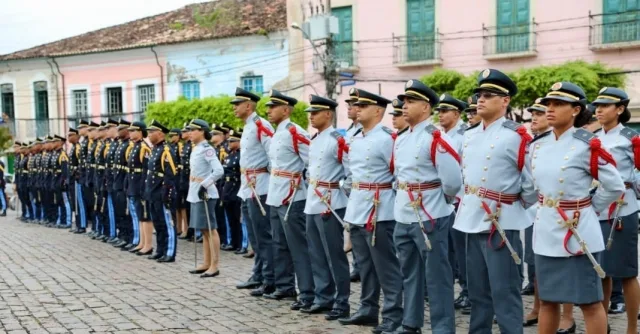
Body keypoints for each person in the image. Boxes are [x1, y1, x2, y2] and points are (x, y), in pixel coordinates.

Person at [453, 69, 536, 334]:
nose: (481, 100)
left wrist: (510, 202)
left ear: (505, 100)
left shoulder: (517, 135)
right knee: (477, 292)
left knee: (505, 291)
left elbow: (532, 182)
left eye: (489, 95)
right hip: (470, 217)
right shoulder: (469, 134)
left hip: (500, 220)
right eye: (478, 95)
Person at [395, 80, 462, 333]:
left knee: (437, 276)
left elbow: (453, 182)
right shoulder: (402, 138)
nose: (404, 106)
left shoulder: (436, 137)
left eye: (411, 101)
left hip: (430, 214)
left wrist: (439, 202)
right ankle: (410, 322)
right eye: (404, 101)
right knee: (410, 273)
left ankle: (443, 327)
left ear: (426, 107)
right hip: (403, 213)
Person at [338, 88, 403, 334]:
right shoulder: (358, 138)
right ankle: (368, 309)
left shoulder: (387, 139)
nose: (357, 109)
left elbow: (399, 174)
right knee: (364, 265)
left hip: (379, 209)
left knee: (386, 266)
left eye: (363, 106)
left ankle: (393, 315)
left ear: (377, 110)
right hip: (357, 206)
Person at [593, 87, 640, 334]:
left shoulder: (630, 138)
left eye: (605, 105)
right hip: (596, 209)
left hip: (623, 209)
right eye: (597, 105)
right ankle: (603, 326)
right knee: (602, 272)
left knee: (627, 273)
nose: (598, 109)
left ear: (620, 109)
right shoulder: (590, 137)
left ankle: (632, 327)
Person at [263, 89, 314, 308]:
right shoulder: (277, 134)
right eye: (268, 107)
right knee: (279, 244)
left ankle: (307, 293)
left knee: (298, 246)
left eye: (272, 107)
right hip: (276, 194)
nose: (268, 111)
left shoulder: (295, 131)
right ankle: (284, 287)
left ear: (285, 109)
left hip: (293, 197)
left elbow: (313, 160)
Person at [303, 95, 351, 320]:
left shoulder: (336, 140)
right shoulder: (314, 139)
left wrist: (344, 190)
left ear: (328, 114)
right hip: (312, 201)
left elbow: (350, 171)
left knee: (334, 255)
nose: (311, 116)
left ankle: (342, 302)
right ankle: (323, 297)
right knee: (317, 254)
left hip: (330, 203)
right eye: (310, 112)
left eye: (316, 112)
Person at [231, 87, 275, 296]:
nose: (234, 108)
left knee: (263, 235)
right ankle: (258, 274)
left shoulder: (261, 125)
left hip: (260, 186)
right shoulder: (249, 127)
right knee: (254, 237)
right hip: (247, 186)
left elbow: (273, 155)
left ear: (248, 106)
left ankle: (269, 279)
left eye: (237, 105)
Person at [436, 93, 471, 314]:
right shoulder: (438, 135)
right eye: (439, 111)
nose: (440, 115)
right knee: (450, 250)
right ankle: (456, 290)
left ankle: (468, 291)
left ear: (457, 114)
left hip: (460, 200)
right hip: (441, 201)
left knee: (464, 250)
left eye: (445, 111)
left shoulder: (465, 135)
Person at [522, 98, 550, 328]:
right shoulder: (529, 143)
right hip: (533, 210)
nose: (535, 116)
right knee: (534, 263)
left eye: (539, 113)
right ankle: (538, 307)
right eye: (533, 113)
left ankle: (566, 314)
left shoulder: (555, 142)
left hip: (557, 210)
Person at [186, 119, 224, 278]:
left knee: (210, 228)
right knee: (203, 228)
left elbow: (219, 171)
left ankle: (214, 265)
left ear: (202, 131)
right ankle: (206, 262)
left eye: (193, 130)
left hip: (205, 192)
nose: (190, 133)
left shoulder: (207, 149)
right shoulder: (196, 149)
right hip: (195, 191)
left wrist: (205, 184)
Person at [145, 120, 178, 263]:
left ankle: (170, 252)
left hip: (162, 191)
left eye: (152, 132)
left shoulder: (166, 150)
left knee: (167, 223)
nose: (149, 134)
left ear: (160, 133)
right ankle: (160, 250)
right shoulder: (155, 149)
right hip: (153, 191)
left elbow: (172, 173)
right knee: (158, 223)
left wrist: (168, 192)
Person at [126, 121, 153, 256]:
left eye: (133, 131)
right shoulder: (134, 147)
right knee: (139, 215)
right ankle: (142, 243)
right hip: (134, 185)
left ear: (140, 132)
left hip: (141, 185)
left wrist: (144, 188)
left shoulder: (144, 147)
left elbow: (146, 170)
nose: (130, 133)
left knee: (145, 215)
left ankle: (148, 244)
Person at [343, 87, 362, 283]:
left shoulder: (365, 131)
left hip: (363, 187)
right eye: (348, 104)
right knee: (352, 227)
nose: (349, 107)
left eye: (353, 104)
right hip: (350, 186)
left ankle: (363, 265)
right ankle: (357, 265)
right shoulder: (349, 131)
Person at [221, 129, 244, 253]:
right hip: (228, 188)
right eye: (229, 140)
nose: (229, 143)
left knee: (237, 218)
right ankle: (233, 242)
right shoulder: (229, 155)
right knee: (230, 218)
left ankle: (240, 244)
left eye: (232, 141)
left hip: (237, 187)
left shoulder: (241, 155)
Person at [113, 120, 132, 249]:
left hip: (124, 183)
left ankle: (128, 237)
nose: (118, 131)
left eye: (121, 129)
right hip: (117, 183)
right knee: (119, 211)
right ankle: (122, 235)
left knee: (126, 213)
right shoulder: (120, 145)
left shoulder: (129, 146)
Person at [177, 124, 193, 240]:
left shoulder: (192, 146)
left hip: (189, 179)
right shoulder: (185, 146)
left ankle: (191, 231)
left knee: (190, 207)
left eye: (185, 131)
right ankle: (188, 230)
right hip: (183, 179)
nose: (182, 133)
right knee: (185, 206)